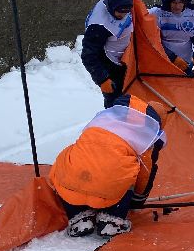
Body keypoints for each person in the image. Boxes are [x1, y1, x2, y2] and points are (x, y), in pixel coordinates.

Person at [49, 94, 167, 238]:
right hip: (108, 193)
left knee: (71, 162)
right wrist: (138, 199)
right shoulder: (141, 140)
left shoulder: (101, 123)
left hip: (72, 186)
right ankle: (111, 219)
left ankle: (79, 216)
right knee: (126, 170)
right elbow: (145, 173)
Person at [82, 0, 134, 107]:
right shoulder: (98, 26)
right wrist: (103, 79)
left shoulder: (116, 0)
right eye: (120, 12)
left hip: (124, 58)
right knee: (116, 101)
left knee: (129, 96)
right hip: (109, 64)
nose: (123, 15)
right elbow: (88, 56)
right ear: (111, 8)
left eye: (126, 12)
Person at [149, 0, 194, 76]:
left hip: (185, 65)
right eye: (174, 3)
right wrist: (173, 58)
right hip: (162, 62)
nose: (177, 6)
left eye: (180, 2)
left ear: (185, 2)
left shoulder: (192, 15)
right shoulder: (157, 14)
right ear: (169, 2)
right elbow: (152, 41)